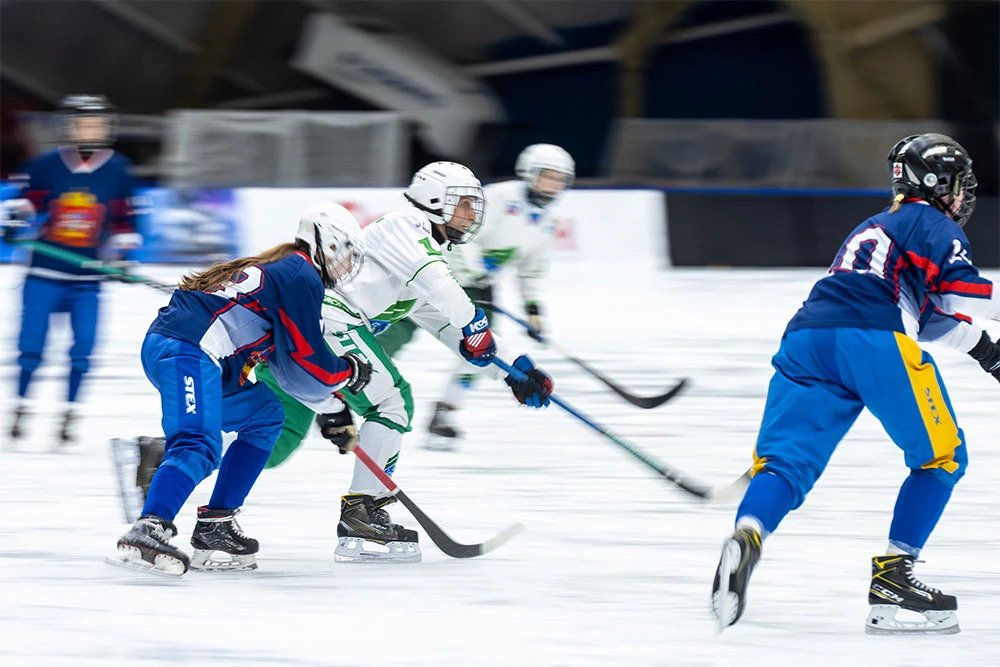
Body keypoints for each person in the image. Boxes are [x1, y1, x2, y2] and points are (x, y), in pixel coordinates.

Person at [112, 162, 555, 565]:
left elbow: (447, 329)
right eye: (462, 205)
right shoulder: (404, 229)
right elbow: (446, 296)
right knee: (392, 402)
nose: (470, 216)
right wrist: (477, 326)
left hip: (278, 342)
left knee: (273, 431)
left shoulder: (421, 259)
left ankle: (204, 509)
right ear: (435, 199)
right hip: (314, 329)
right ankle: (364, 510)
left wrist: (509, 372)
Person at [711, 133, 1000, 635]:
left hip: (806, 340)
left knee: (785, 463)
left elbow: (930, 317)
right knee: (944, 456)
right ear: (936, 185)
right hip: (870, 339)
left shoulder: (876, 226)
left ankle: (749, 533)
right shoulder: (930, 222)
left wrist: (987, 352)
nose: (962, 197)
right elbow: (959, 295)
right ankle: (895, 579)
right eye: (958, 185)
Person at [112, 203, 370, 576]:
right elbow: (309, 358)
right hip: (188, 350)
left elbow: (290, 370)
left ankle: (217, 524)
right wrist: (348, 371)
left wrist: (332, 409)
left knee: (266, 416)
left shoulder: (291, 273)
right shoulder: (302, 274)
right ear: (326, 244)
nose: (347, 266)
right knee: (200, 444)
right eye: (346, 253)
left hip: (197, 356)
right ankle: (150, 527)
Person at [378, 144, 574, 449]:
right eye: (547, 176)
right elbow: (464, 231)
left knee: (481, 350)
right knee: (397, 329)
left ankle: (446, 413)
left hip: (479, 287)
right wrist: (474, 268)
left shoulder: (547, 222)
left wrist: (533, 309)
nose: (553, 185)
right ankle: (347, 381)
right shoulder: (498, 198)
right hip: (439, 271)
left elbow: (531, 271)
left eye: (559, 180)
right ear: (529, 173)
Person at [4, 95, 142, 445]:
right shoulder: (46, 164)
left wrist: (123, 255)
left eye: (96, 123)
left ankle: (69, 413)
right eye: (83, 123)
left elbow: (126, 220)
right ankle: (21, 406)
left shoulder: (119, 170)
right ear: (70, 127)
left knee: (83, 348)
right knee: (31, 345)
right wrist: (14, 220)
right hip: (44, 274)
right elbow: (26, 203)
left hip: (87, 279)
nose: (90, 130)